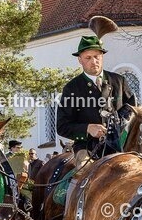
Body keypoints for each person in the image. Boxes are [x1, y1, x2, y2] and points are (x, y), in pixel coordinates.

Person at [55, 33, 136, 167]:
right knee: (84, 169)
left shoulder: (119, 81)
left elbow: (132, 109)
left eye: (97, 57)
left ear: (102, 57)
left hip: (121, 143)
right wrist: (88, 128)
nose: (94, 61)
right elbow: (62, 127)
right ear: (80, 60)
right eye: (88, 57)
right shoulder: (71, 88)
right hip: (87, 147)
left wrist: (118, 124)